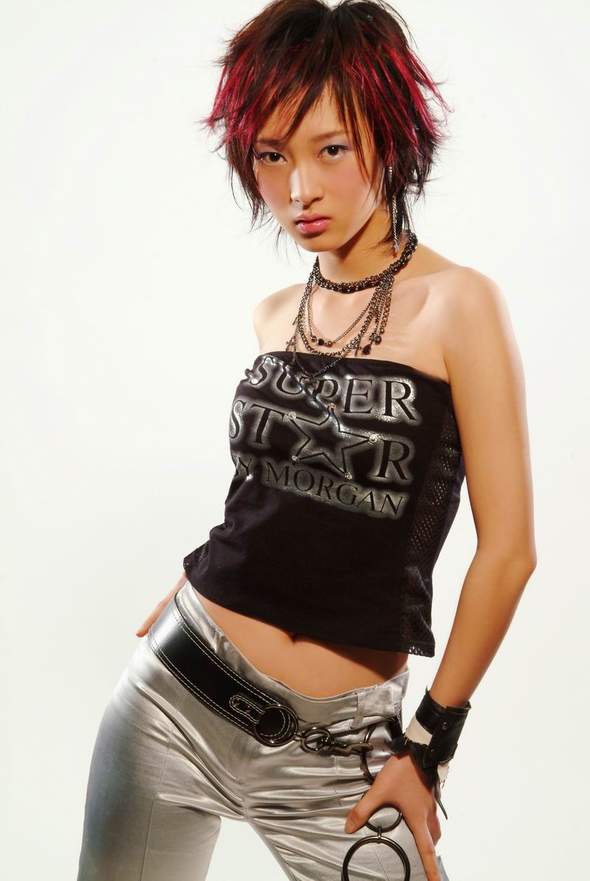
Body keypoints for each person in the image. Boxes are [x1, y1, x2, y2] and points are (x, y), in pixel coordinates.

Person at [75, 1, 536, 880]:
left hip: (340, 758)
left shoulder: (459, 305)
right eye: (271, 156)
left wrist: (428, 746)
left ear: (390, 137)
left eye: (331, 149)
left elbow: (509, 553)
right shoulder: (274, 315)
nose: (299, 191)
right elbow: (269, 493)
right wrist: (206, 578)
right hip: (176, 696)